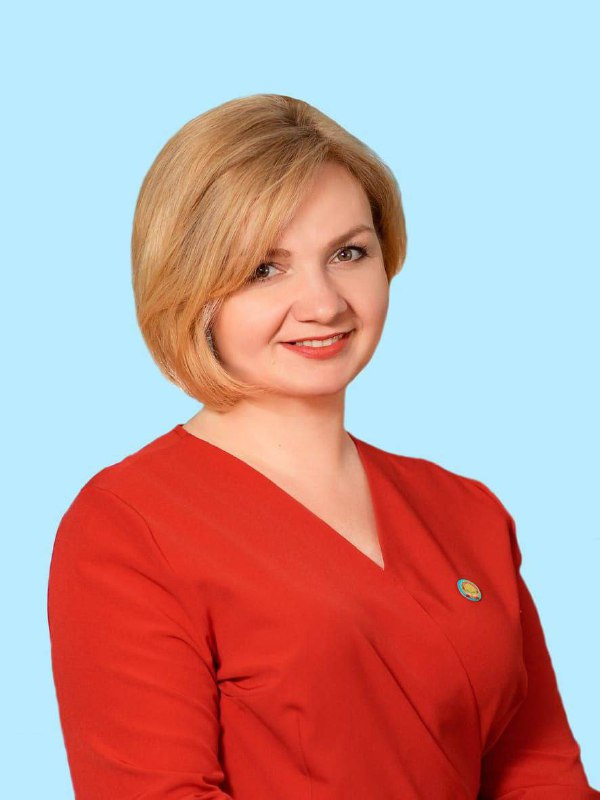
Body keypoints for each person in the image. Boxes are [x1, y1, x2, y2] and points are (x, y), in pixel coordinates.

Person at [47, 93, 599, 799]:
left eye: (348, 253)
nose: (324, 304)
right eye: (264, 268)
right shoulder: (127, 528)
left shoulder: (466, 511)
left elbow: (540, 773)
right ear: (189, 288)